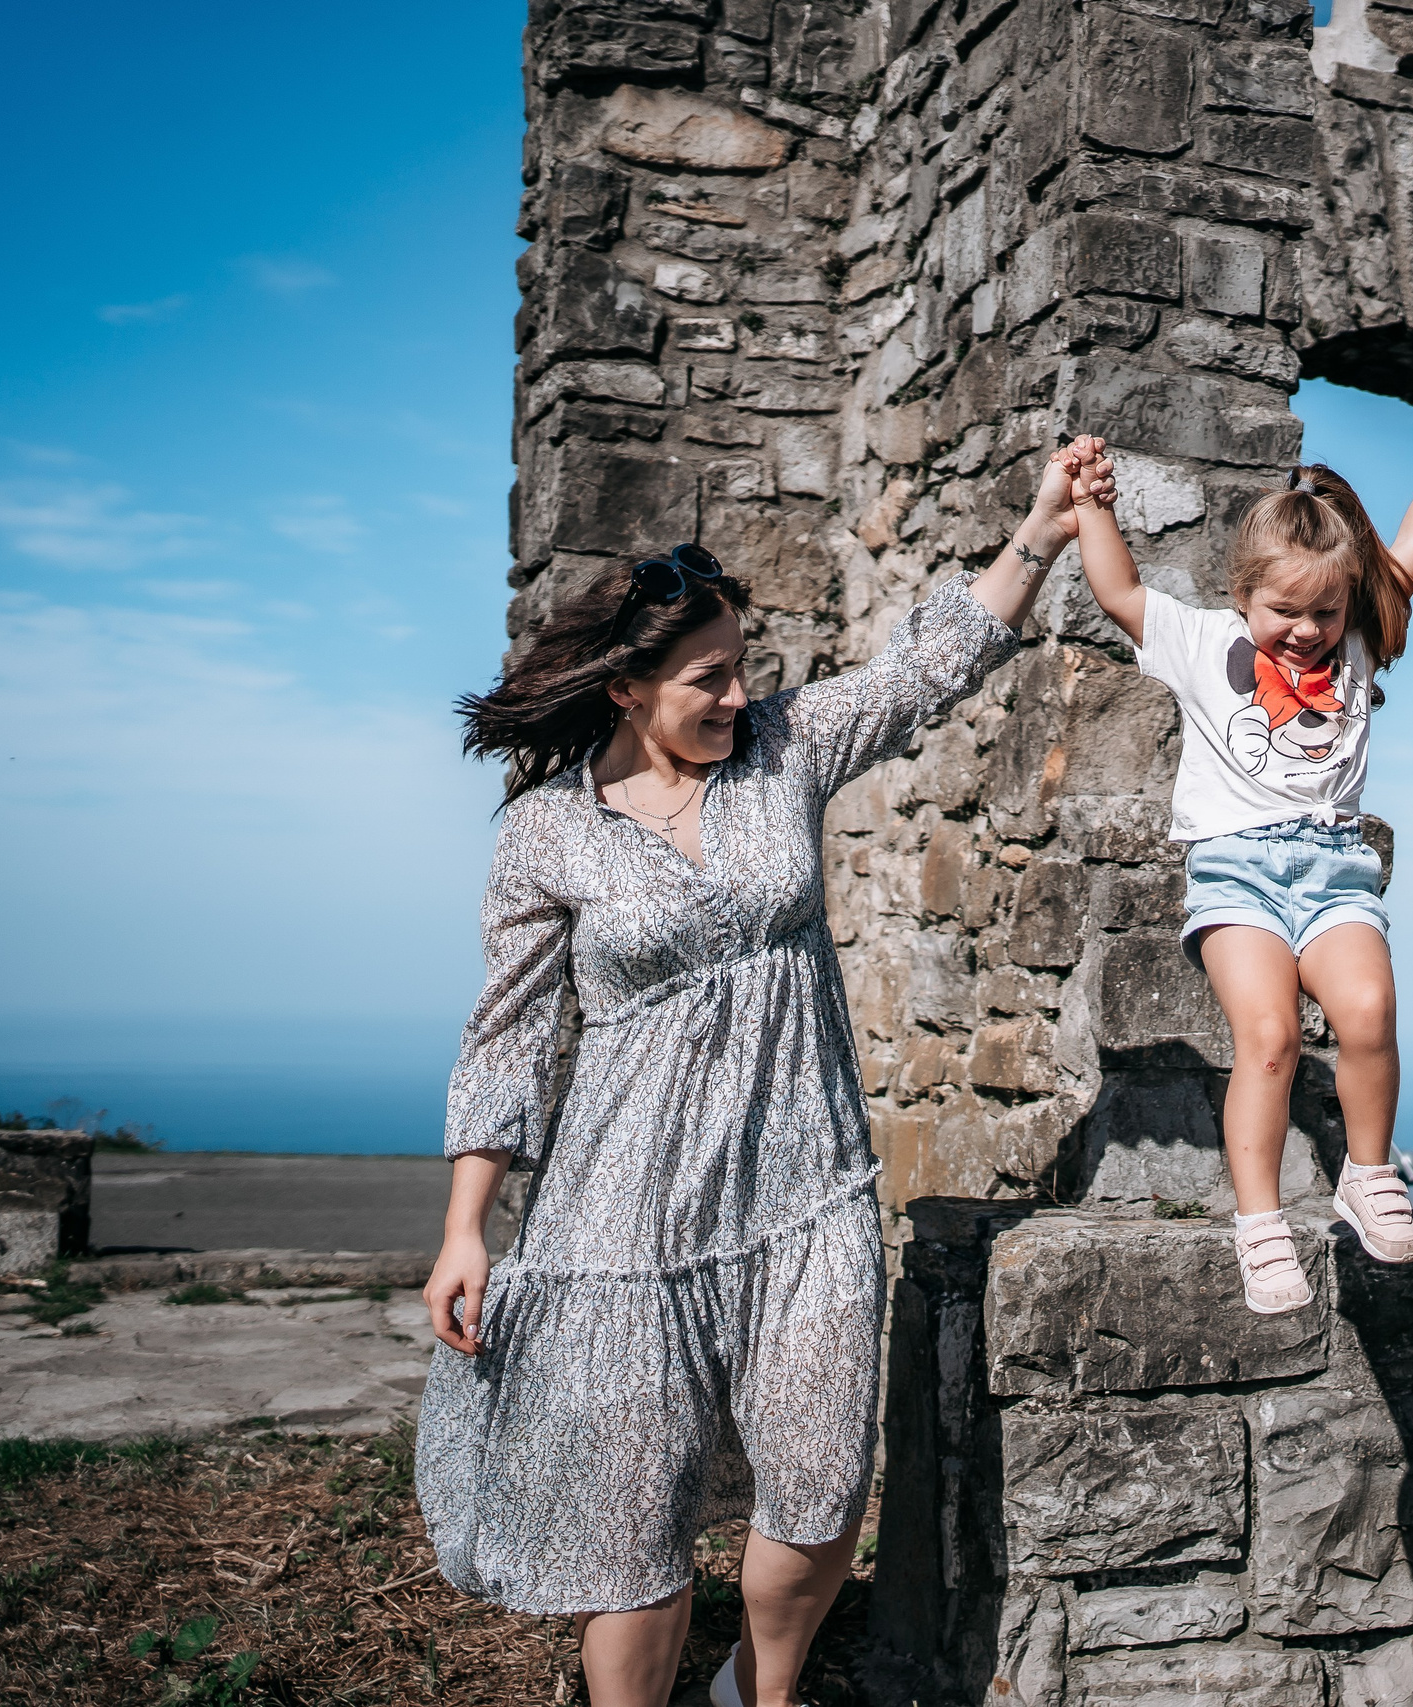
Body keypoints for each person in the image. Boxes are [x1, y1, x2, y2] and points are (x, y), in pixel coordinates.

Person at [415, 447, 1083, 1707]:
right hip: (622, 1221)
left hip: (803, 1197)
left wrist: (1038, 534)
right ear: (625, 688)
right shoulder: (547, 832)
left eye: (741, 671)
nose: (736, 697)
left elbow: (923, 670)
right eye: (706, 678)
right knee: (630, 1535)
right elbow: (504, 1034)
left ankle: (757, 1693)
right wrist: (466, 1227)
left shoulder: (785, 751)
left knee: (825, 1484)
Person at [1062, 414, 1413, 1313]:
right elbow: (1119, 593)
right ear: (1241, 596)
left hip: (1336, 867)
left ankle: (1369, 1173)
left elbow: (1412, 548)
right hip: (1236, 876)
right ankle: (1260, 1224)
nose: (1306, 631)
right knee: (1267, 1037)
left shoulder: (1356, 639)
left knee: (1371, 1010)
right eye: (1284, 612)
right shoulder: (1200, 643)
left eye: (1325, 612)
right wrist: (1090, 505)